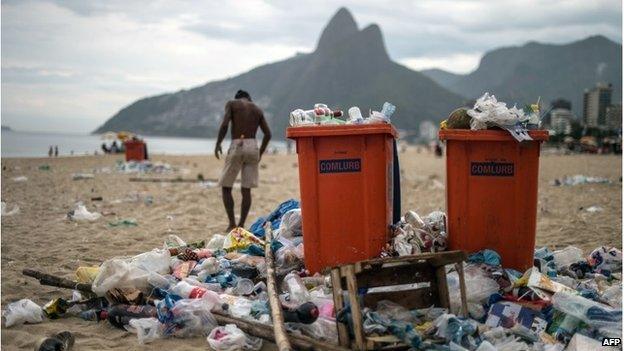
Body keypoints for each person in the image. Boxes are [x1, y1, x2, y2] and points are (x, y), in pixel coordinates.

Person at [215, 90, 271, 232]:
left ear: (238, 98)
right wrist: (260, 154)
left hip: (238, 143)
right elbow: (268, 134)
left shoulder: (232, 104)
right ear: (249, 98)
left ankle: (232, 224)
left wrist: (218, 143)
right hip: (253, 146)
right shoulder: (257, 109)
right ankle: (241, 225)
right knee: (246, 189)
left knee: (226, 186)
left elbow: (224, 124)